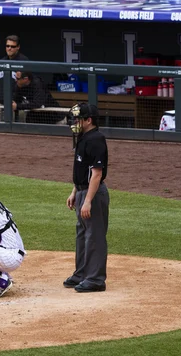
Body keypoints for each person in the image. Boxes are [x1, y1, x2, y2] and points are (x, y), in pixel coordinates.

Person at [65, 103, 109, 293]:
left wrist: (88, 200)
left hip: (94, 193)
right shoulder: (83, 138)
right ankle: (82, 273)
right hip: (83, 190)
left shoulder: (96, 139)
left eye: (78, 119)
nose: (75, 122)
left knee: (94, 236)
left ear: (88, 120)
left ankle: (96, 279)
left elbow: (97, 174)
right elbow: (82, 171)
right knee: (82, 234)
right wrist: (75, 192)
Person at [0, 35, 29, 122]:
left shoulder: (24, 61)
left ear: (18, 47)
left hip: (19, 101)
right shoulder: (2, 62)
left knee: (20, 118)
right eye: (7, 46)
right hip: (2, 101)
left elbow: (27, 83)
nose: (9, 48)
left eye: (12, 46)